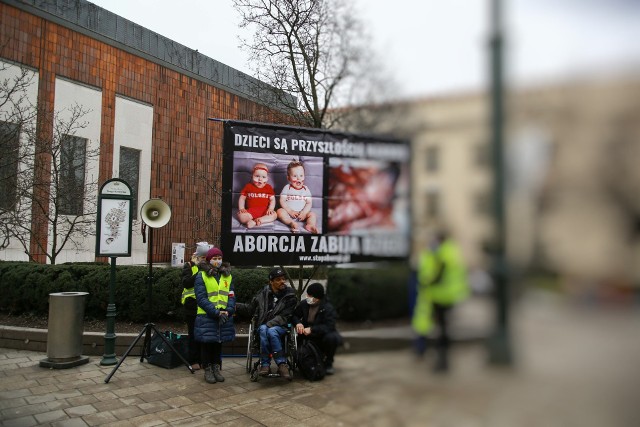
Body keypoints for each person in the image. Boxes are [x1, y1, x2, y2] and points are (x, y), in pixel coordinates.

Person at [412, 231, 469, 372]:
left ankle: (442, 361)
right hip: (446, 295)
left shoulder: (442, 252)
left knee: (441, 328)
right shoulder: (452, 251)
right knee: (442, 327)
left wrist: (427, 282)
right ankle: (442, 359)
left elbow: (439, 273)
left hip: (440, 295)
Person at [237, 267, 297, 380]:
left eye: (283, 279)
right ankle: (278, 365)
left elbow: (286, 316)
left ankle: (269, 364)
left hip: (282, 328)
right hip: (263, 328)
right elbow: (250, 309)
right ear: (271, 282)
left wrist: (269, 324)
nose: (282, 281)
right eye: (278, 279)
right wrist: (235, 306)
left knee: (270, 330)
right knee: (266, 330)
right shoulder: (262, 294)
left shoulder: (290, 296)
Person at [194, 247, 236, 384]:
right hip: (207, 316)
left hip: (223, 315)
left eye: (219, 258)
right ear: (209, 260)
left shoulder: (227, 276)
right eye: (214, 258)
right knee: (207, 343)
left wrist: (228, 310)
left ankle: (216, 368)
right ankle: (207, 369)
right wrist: (215, 312)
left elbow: (231, 295)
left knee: (218, 342)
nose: (217, 261)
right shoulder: (202, 275)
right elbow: (201, 298)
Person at [292, 282, 342, 375]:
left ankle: (328, 363)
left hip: (320, 334)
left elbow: (329, 326)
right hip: (305, 334)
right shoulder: (304, 304)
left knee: (332, 337)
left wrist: (312, 329)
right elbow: (294, 315)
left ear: (317, 297)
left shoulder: (327, 308)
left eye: (310, 295)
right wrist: (298, 323)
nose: (307, 297)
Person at [180, 241, 209, 370]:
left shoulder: (210, 268)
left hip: (205, 306)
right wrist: (198, 272)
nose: (204, 260)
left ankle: (204, 360)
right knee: (193, 334)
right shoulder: (189, 266)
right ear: (196, 256)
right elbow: (186, 283)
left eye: (205, 257)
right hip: (191, 306)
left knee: (204, 334)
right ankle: (193, 360)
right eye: (202, 257)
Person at [277, 160, 319, 233]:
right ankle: (291, 223)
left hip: (302, 215)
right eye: (295, 176)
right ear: (288, 178)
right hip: (289, 214)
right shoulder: (287, 188)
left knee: (312, 214)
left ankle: (310, 225)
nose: (298, 178)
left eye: (301, 175)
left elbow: (309, 203)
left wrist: (304, 213)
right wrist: (290, 211)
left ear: (304, 177)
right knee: (279, 211)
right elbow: (282, 200)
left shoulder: (306, 189)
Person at [237, 162, 277, 228]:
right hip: (250, 211)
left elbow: (272, 199)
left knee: (274, 215)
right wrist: (241, 208)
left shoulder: (268, 187)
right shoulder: (248, 186)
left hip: (265, 211)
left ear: (267, 178)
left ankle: (259, 220)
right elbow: (242, 198)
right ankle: (249, 221)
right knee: (241, 216)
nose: (260, 179)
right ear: (252, 176)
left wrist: (271, 208)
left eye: (263, 177)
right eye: (257, 176)